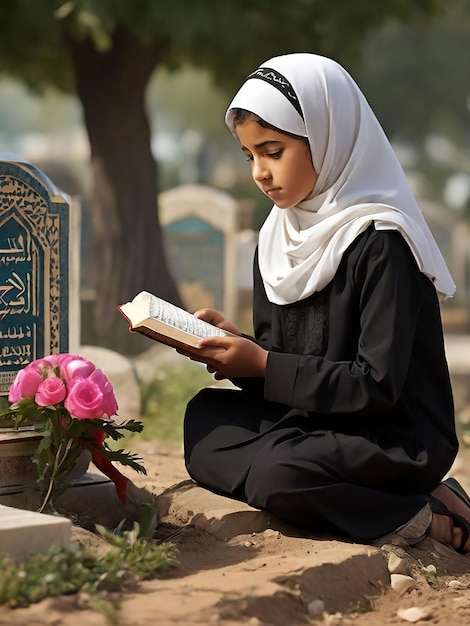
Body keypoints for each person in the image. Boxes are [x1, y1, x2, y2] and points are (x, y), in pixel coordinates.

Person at [181, 53, 470, 553]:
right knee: (205, 420)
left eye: (273, 151)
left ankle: (423, 514)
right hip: (318, 422)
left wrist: (264, 365)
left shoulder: (383, 242)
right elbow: (287, 354)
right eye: (250, 156)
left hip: (392, 433)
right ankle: (344, 486)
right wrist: (243, 350)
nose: (260, 173)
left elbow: (376, 384)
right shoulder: (277, 235)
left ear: (328, 138)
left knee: (281, 475)